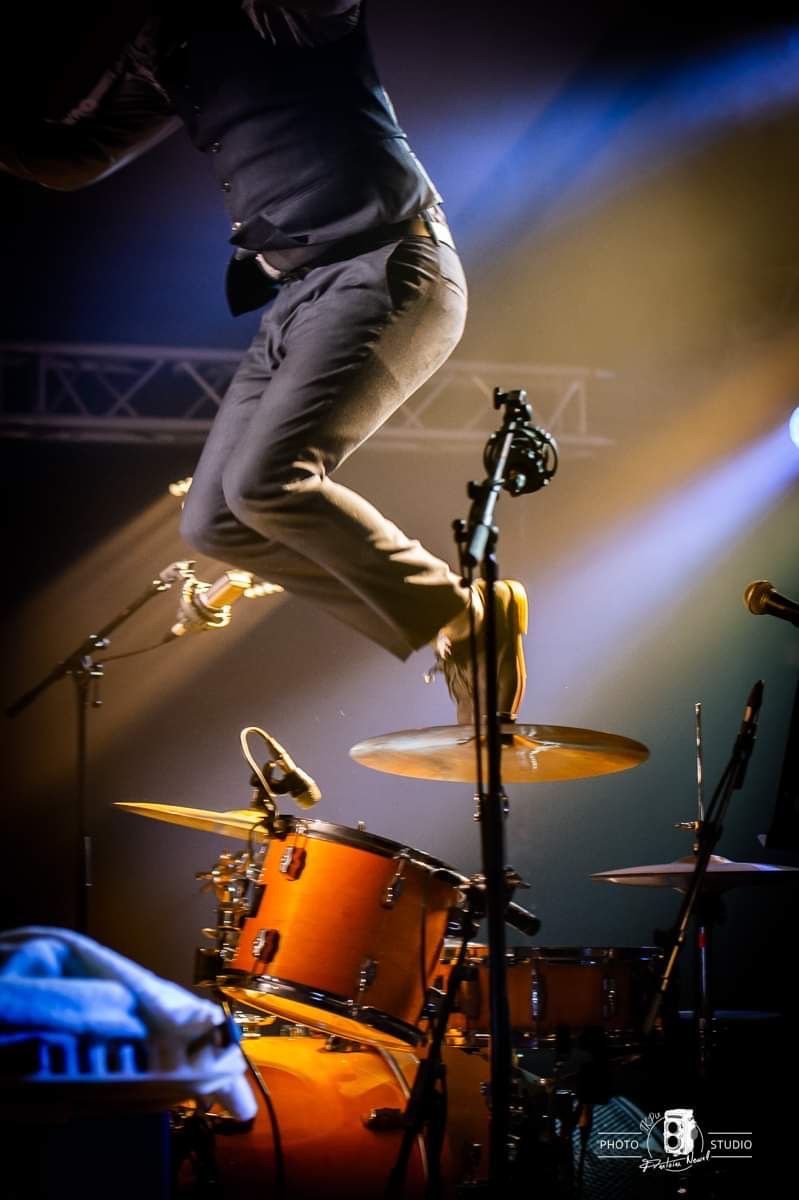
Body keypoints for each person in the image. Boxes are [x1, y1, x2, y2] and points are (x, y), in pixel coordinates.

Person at [0, 0, 527, 723]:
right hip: (296, 294)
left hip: (387, 265)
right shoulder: (164, 41)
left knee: (268, 483)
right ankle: (447, 617)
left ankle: (460, 615)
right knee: (215, 521)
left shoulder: (284, 11)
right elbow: (73, 154)